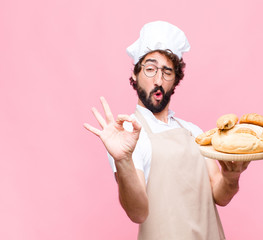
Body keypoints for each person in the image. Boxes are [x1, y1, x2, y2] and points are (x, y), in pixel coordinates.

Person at [84, 21, 250, 240]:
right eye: (150, 69)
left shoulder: (194, 131)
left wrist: (231, 177)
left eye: (167, 72)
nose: (158, 80)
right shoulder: (127, 135)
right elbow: (138, 212)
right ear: (135, 74)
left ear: (176, 80)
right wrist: (123, 161)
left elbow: (220, 195)